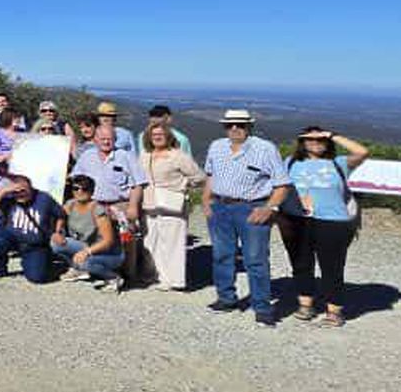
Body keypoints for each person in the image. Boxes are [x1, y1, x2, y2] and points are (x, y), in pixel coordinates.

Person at [201, 109, 292, 326]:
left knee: (255, 260)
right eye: (230, 125)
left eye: (240, 124)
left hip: (252, 208)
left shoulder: (265, 149)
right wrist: (206, 200)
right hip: (220, 208)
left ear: (249, 126)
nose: (234, 128)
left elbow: (282, 184)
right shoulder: (217, 147)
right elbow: (210, 175)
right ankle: (226, 298)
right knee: (222, 256)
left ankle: (262, 308)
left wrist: (269, 208)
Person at [282, 127, 369, 328]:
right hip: (297, 219)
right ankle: (306, 305)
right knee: (301, 263)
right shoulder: (291, 162)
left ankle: (334, 311)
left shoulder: (339, 164)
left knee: (332, 267)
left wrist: (333, 135)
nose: (315, 142)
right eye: (309, 139)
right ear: (302, 142)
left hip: (333, 221)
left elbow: (362, 152)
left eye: (320, 139)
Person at [70, 126, 146, 284]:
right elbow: (75, 179)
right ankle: (94, 270)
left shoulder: (125, 156)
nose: (106, 141)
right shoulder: (86, 156)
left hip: (119, 204)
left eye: (109, 139)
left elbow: (138, 184)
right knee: (88, 237)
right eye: (102, 138)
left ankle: (129, 274)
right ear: (95, 139)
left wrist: (133, 207)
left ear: (115, 140)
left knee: (127, 239)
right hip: (93, 204)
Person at [138, 122, 204, 291]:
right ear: (148, 138)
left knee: (172, 242)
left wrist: (183, 186)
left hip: (172, 203)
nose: (157, 137)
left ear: (168, 136)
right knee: (151, 240)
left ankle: (173, 280)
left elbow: (199, 177)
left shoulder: (178, 156)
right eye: (154, 135)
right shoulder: (145, 155)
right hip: (149, 203)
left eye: (161, 134)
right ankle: (153, 275)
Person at [51, 175, 125, 292]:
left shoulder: (98, 210)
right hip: (86, 245)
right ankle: (77, 269)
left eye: (85, 189)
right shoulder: (70, 204)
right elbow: (60, 217)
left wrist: (86, 252)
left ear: (92, 191)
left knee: (86, 262)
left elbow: (108, 241)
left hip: (108, 252)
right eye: (76, 188)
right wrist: (58, 231)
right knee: (56, 243)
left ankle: (113, 277)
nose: (80, 192)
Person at [0, 174, 62, 283]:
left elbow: (60, 215)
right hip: (13, 239)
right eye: (17, 191)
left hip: (34, 244)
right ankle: (0, 267)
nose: (20, 194)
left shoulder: (43, 198)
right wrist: (4, 191)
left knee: (37, 278)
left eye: (24, 190)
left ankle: (37, 261)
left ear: (31, 188)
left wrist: (57, 232)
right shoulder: (10, 198)